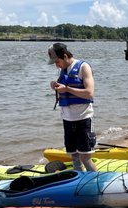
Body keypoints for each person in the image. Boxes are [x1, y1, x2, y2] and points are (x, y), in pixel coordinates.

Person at [48, 43, 97, 171]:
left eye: (57, 61)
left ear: (65, 56)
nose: (56, 64)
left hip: (83, 118)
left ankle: (96, 184)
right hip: (67, 120)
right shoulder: (61, 70)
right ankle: (79, 184)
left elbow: (89, 92)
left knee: (85, 157)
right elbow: (64, 88)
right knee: (74, 157)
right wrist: (55, 85)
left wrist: (67, 89)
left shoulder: (83, 67)